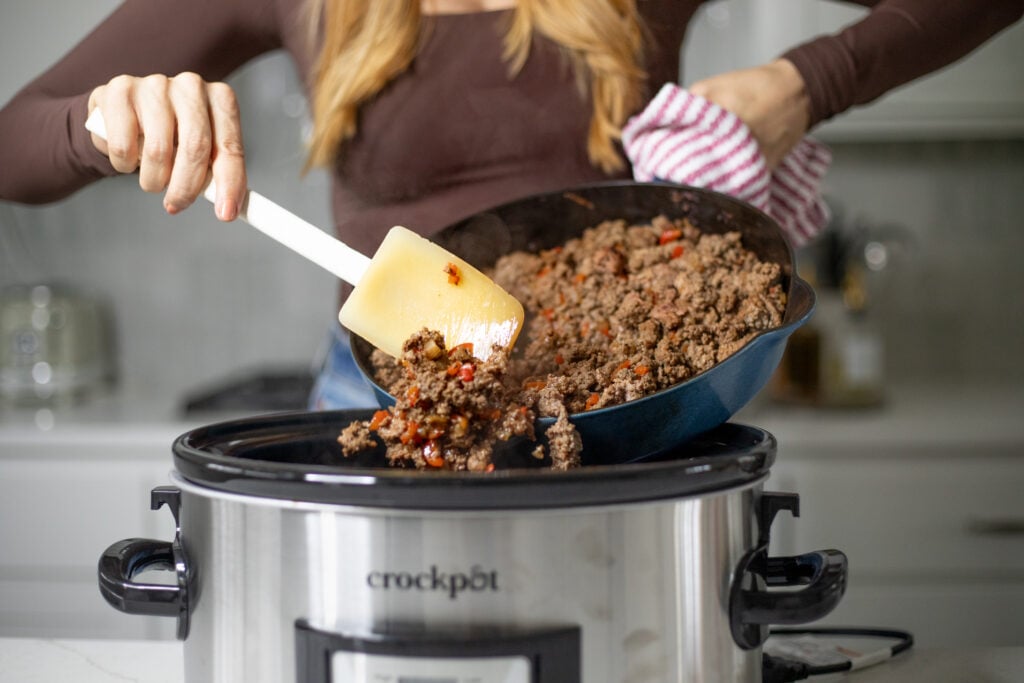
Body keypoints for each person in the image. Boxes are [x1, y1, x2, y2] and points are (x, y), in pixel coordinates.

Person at [1, 0, 1020, 409]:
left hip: (636, 406)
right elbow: (14, 140)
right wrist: (104, 117)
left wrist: (812, 78)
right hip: (392, 401)